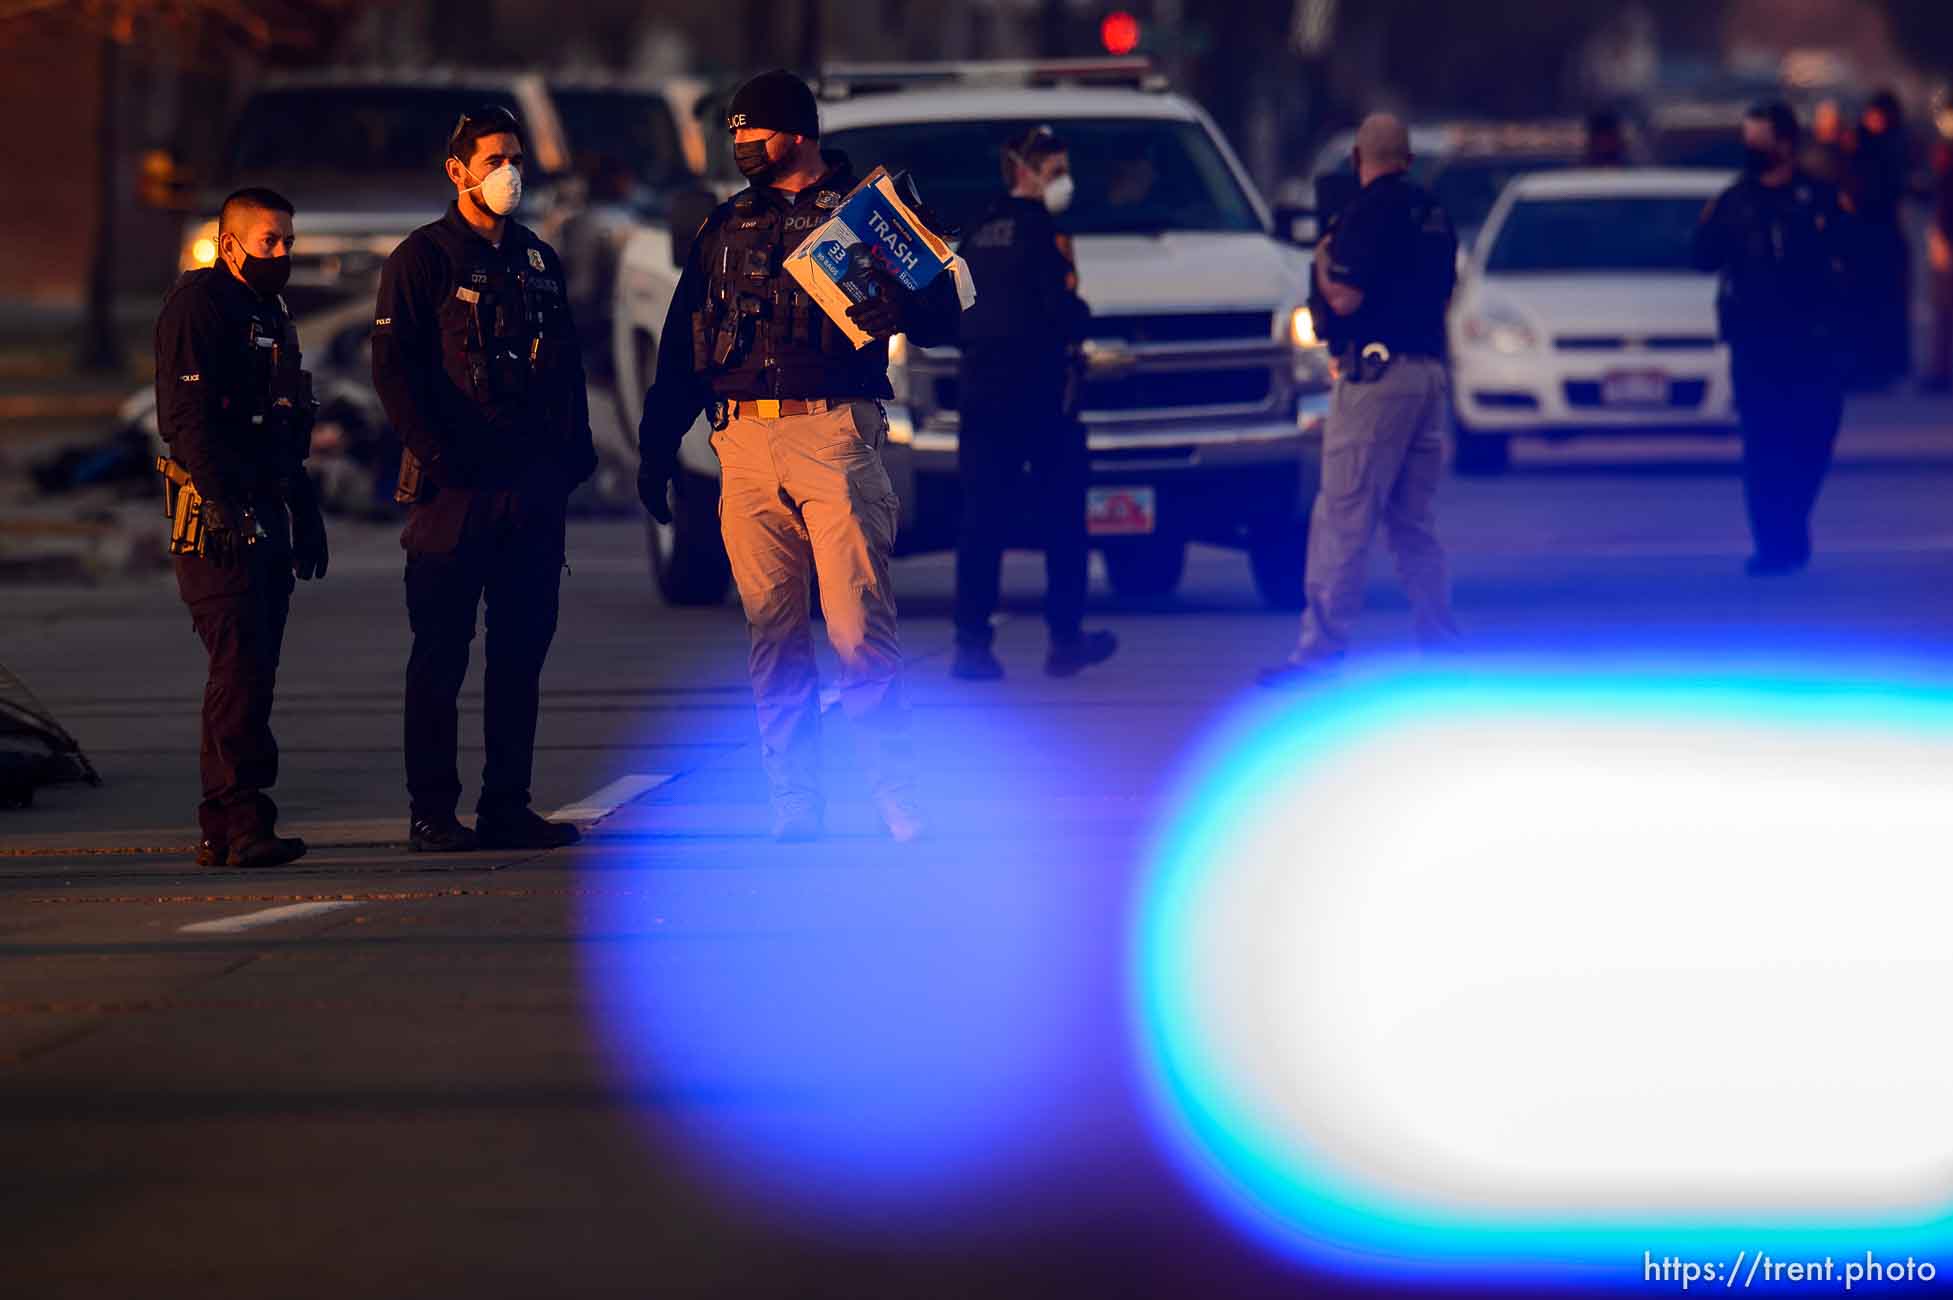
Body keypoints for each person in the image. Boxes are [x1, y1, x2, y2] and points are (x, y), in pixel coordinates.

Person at [636, 69, 965, 843]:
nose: (742, 146)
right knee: (772, 634)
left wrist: (904, 306)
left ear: (799, 132)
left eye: (755, 132)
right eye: (736, 135)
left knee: (857, 634)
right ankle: (795, 805)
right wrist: (656, 448)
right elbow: (683, 349)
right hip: (743, 442)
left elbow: (945, 317)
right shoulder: (724, 226)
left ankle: (896, 801)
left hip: (833, 433)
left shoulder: (872, 216)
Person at [371, 106, 596, 853]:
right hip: (453, 493)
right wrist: (435, 457)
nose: (510, 173)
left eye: (516, 159)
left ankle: (508, 804)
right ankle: (431, 811)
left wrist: (574, 455)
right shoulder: (421, 259)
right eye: (495, 158)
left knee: (520, 652)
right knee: (439, 653)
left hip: (529, 490)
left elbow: (566, 366)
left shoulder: (536, 260)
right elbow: (394, 372)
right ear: (458, 169)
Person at [154, 186, 328, 868]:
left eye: (288, 240)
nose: (282, 252)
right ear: (230, 246)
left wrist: (304, 507)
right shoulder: (199, 305)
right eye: (269, 242)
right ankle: (236, 819)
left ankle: (229, 828)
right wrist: (222, 504)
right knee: (238, 670)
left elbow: (286, 420)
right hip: (216, 518)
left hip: (268, 507)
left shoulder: (272, 311)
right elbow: (186, 419)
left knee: (256, 669)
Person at [1260, 114, 1461, 686]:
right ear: (1409, 159)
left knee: (1342, 518)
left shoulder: (1365, 215)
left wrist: (1322, 259)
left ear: (1357, 158)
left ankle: (1318, 656)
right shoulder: (1434, 213)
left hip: (1375, 380)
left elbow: (1343, 297)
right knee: (1412, 524)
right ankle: (1440, 647)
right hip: (1427, 378)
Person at [952, 124, 1117, 681]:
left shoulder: (976, 229)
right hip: (1041, 395)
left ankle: (971, 647)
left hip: (981, 393)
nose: (1063, 181)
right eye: (1054, 171)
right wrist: (1084, 318)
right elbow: (1060, 310)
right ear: (1024, 171)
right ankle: (1065, 640)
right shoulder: (1043, 233)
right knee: (1065, 518)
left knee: (981, 521)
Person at [1693, 101, 1855, 576]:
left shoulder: (1819, 197)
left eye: (1760, 139)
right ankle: (1773, 544)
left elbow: (1855, 257)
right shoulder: (1734, 201)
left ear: (1785, 142)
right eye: (1748, 139)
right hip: (1756, 342)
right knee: (1764, 445)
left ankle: (1793, 521)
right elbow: (1701, 257)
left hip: (1814, 342)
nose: (1752, 149)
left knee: (1813, 438)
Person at [1845, 89, 1914, 388]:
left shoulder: (1897, 145)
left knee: (1885, 306)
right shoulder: (1855, 145)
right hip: (1862, 237)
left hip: (1883, 236)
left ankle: (1884, 367)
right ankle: (1865, 368)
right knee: (1862, 305)